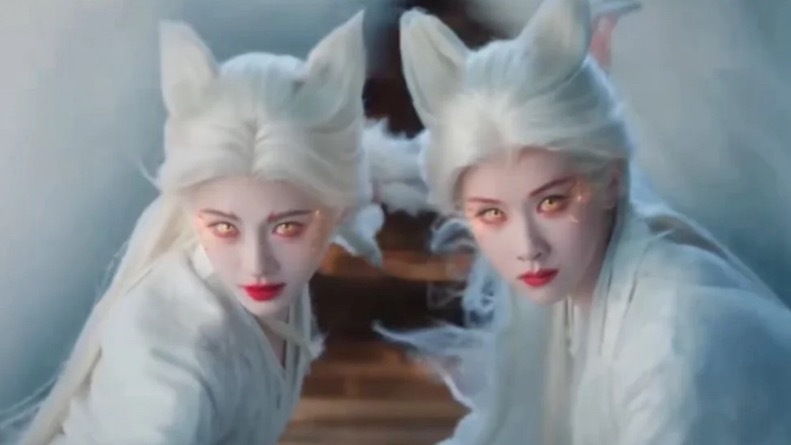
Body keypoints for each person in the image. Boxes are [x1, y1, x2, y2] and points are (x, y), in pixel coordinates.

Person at [384, 0, 791, 443]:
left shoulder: (671, 344)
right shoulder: (569, 296)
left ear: (612, 181)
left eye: (552, 203)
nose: (528, 246)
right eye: (492, 214)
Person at [5, 10, 373, 445]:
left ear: (337, 210)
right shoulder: (175, 348)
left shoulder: (294, 241)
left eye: (287, 228)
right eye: (224, 228)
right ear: (191, 210)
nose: (256, 264)